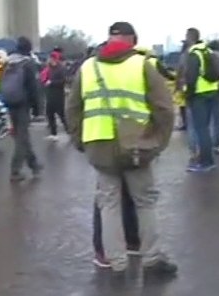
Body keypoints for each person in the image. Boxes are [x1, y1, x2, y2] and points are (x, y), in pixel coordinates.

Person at [67, 21, 177, 277]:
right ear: (133, 40)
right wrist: (159, 142)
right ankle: (151, 258)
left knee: (108, 204)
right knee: (145, 202)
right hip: (137, 144)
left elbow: (72, 108)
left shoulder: (88, 67)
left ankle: (116, 262)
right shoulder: (142, 66)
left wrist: (79, 139)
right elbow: (164, 108)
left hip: (98, 144)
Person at [178, 27, 219, 171]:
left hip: (199, 95)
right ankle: (208, 158)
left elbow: (191, 77)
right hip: (213, 92)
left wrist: (188, 95)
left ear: (190, 38)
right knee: (208, 128)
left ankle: (205, 162)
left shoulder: (193, 54)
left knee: (201, 129)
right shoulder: (208, 51)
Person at [1, 36, 42, 181]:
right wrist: (37, 108)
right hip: (23, 103)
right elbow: (33, 88)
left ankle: (34, 164)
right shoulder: (27, 63)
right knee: (21, 137)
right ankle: (15, 170)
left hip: (10, 102)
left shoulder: (7, 62)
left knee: (20, 135)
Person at [42, 47, 69, 139]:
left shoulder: (61, 68)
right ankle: (53, 133)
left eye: (53, 58)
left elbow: (63, 81)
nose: (51, 60)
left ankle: (69, 130)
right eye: (50, 58)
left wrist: (52, 82)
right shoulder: (48, 68)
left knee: (61, 115)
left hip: (58, 95)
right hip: (50, 95)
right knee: (50, 114)